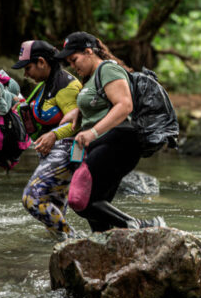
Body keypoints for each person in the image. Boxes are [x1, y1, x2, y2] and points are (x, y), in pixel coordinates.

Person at [57, 31, 164, 233]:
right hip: (104, 143)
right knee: (95, 206)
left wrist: (92, 132)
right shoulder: (92, 77)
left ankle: (142, 226)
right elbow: (100, 102)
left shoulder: (108, 70)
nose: (73, 65)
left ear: (89, 52)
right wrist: (78, 113)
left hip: (118, 141)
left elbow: (124, 105)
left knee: (79, 199)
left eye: (74, 59)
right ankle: (106, 246)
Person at [6, 40, 83, 239]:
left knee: (31, 199)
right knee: (54, 211)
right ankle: (64, 250)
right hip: (50, 153)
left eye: (27, 67)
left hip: (66, 151)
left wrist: (53, 135)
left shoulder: (67, 85)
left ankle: (75, 241)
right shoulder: (44, 85)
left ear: (41, 62)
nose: (25, 74)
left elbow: (77, 123)